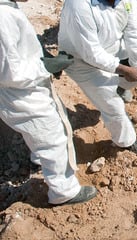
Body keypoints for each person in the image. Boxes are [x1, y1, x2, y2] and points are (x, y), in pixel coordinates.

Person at [0, 0, 97, 205]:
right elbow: (10, 73)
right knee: (52, 138)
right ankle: (64, 191)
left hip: (28, 89)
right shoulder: (3, 17)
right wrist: (46, 67)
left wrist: (42, 55)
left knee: (39, 135)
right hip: (23, 94)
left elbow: (18, 49)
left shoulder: (9, 8)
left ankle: (39, 161)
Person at [58, 0, 137, 158]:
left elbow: (134, 32)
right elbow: (91, 53)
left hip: (111, 50)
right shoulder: (78, 6)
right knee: (113, 106)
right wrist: (124, 70)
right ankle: (126, 142)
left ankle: (120, 86)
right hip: (81, 61)